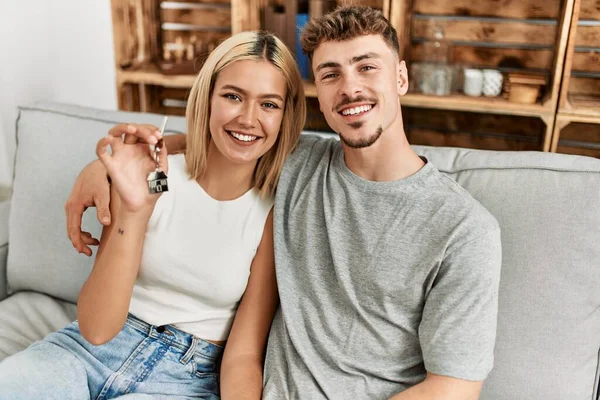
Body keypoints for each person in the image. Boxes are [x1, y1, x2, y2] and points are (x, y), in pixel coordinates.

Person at [65, 6, 502, 400]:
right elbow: (224, 137)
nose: (350, 88)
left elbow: (455, 387)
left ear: (401, 78)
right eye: (331, 74)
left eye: (367, 68)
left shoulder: (464, 229)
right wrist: (102, 167)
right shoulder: (299, 163)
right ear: (318, 93)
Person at [0, 31, 306, 400]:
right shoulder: (155, 176)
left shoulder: (275, 210)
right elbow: (96, 329)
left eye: (269, 104)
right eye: (233, 96)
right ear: (207, 97)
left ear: (287, 114)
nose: (248, 118)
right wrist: (133, 210)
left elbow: (243, 353)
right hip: (86, 352)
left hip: (186, 378)